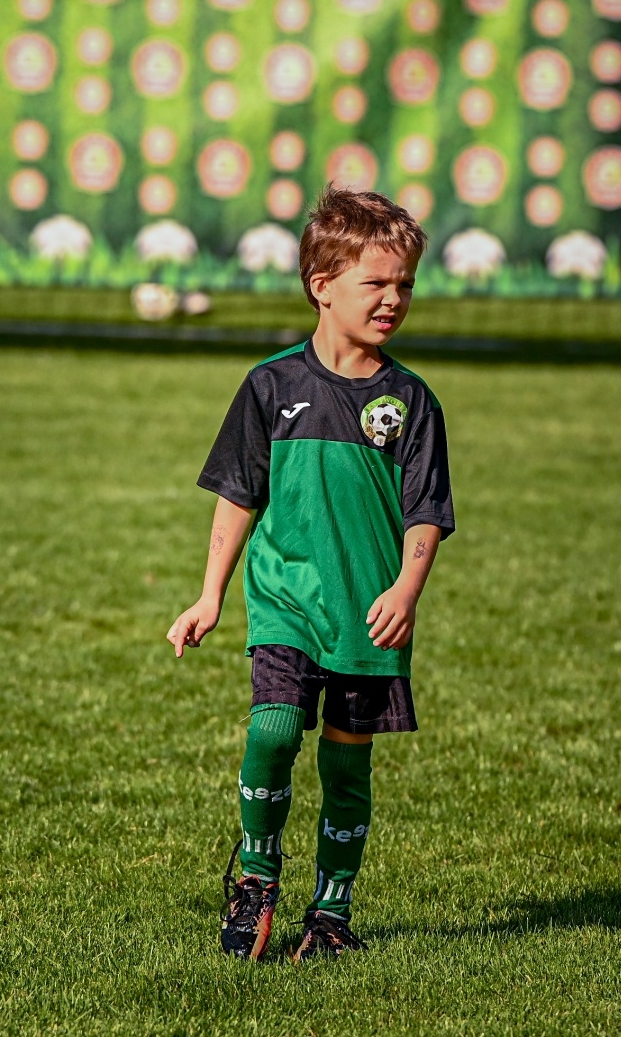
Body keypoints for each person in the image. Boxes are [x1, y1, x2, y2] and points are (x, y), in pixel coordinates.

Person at [167, 185, 454, 963]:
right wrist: (210, 592)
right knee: (272, 728)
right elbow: (238, 494)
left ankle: (331, 913)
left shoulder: (410, 402)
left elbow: (427, 510)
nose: (394, 299)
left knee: (345, 763)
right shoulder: (270, 387)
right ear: (321, 284)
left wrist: (404, 589)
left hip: (367, 612)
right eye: (377, 283)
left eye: (405, 285)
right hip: (285, 596)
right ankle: (255, 876)